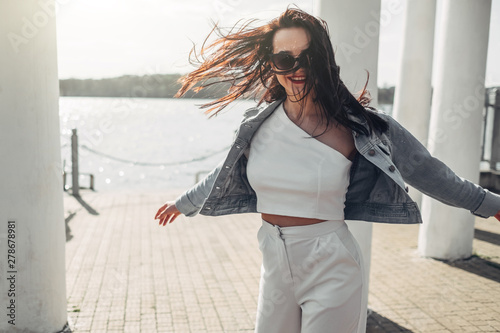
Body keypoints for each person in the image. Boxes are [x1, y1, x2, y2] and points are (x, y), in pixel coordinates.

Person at [154, 7, 500, 333]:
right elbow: (225, 171)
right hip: (273, 264)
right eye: (284, 59)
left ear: (324, 60)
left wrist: (490, 204)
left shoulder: (360, 127)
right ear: (272, 65)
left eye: (308, 57)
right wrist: (183, 203)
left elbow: (427, 170)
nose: (297, 68)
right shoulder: (256, 126)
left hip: (331, 264)